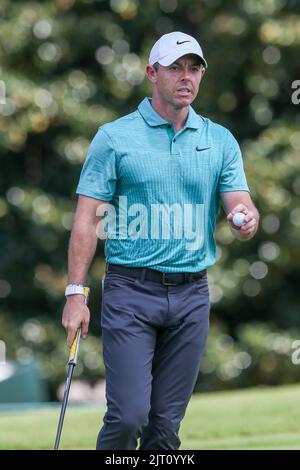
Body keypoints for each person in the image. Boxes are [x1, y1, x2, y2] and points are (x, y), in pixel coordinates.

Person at [62, 31, 259, 450]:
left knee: (164, 430)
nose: (186, 77)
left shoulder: (219, 140)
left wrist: (246, 218)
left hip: (191, 296)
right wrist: (75, 294)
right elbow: (85, 220)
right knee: (129, 415)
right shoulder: (114, 138)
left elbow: (239, 201)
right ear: (152, 73)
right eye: (175, 68)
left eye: (194, 68)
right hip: (131, 291)